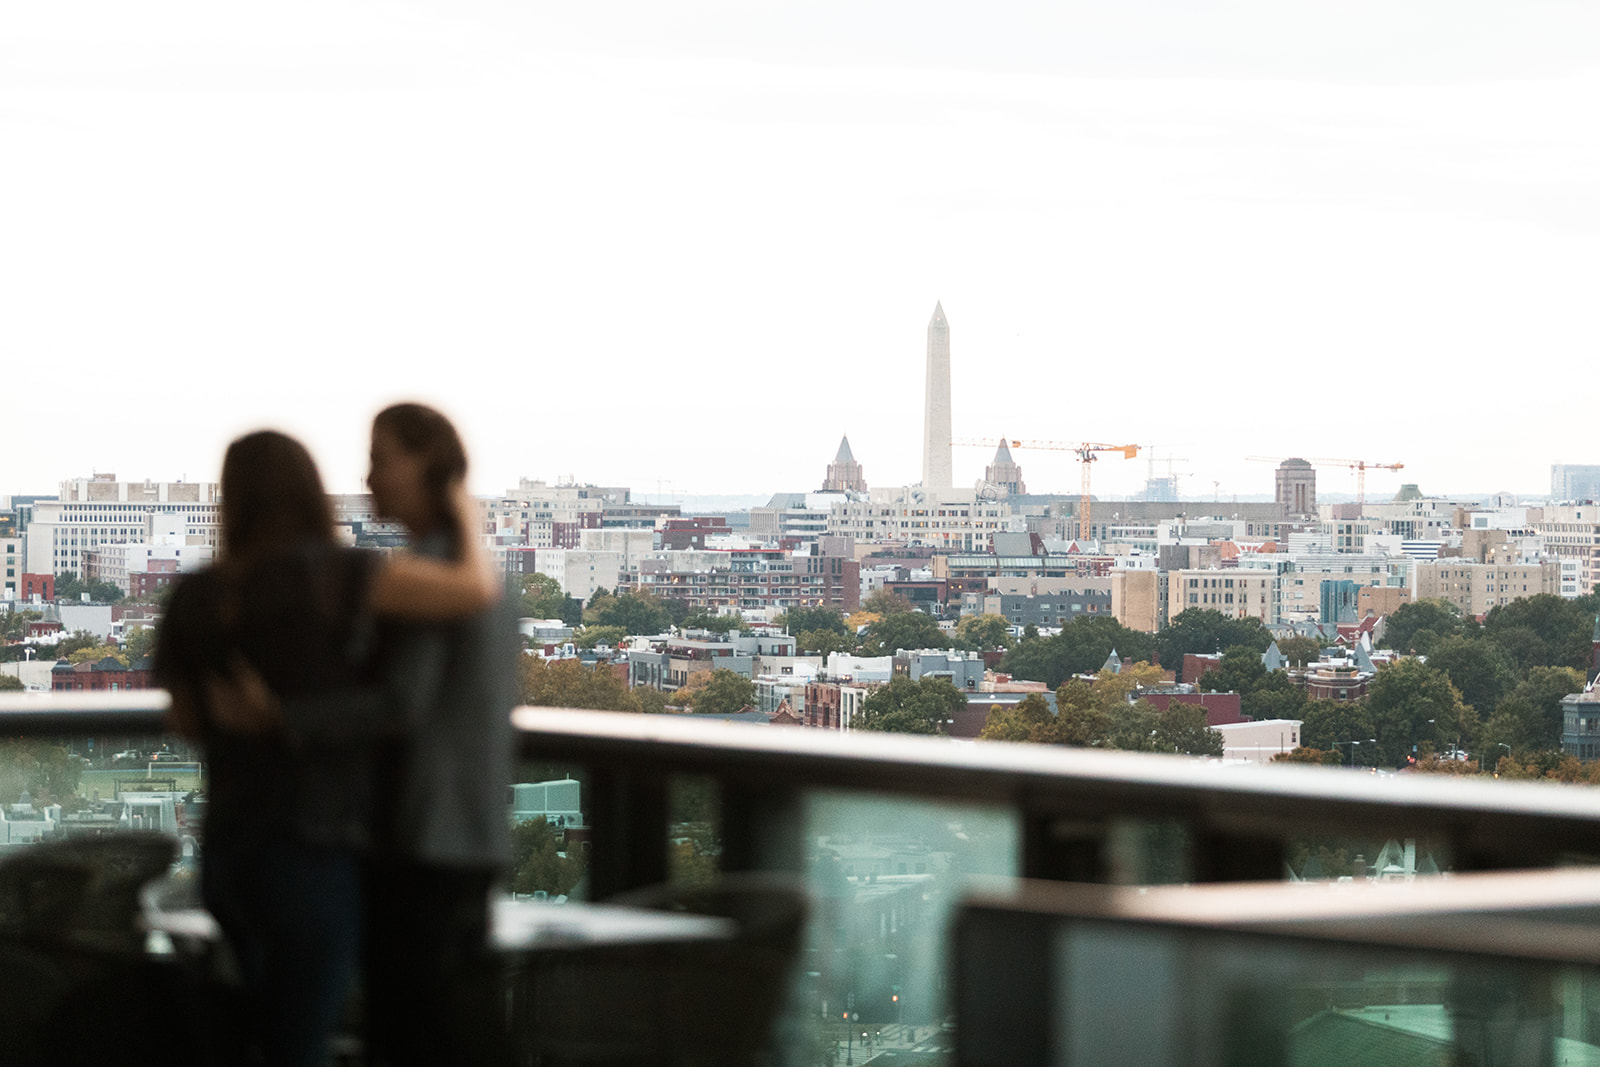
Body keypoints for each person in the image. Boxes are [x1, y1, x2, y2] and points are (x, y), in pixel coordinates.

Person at [154, 429, 497, 1067]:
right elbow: (472, 591)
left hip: (230, 849)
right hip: (315, 844)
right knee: (300, 1041)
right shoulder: (337, 577)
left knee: (249, 1027)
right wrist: (464, 507)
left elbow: (186, 722)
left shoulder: (196, 595)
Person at [354, 402, 517, 1067]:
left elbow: (399, 704)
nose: (368, 478)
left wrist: (287, 718)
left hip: (419, 835)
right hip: (474, 830)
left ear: (426, 462)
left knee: (407, 1025)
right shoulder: (489, 576)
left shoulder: (431, 580)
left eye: (381, 458)